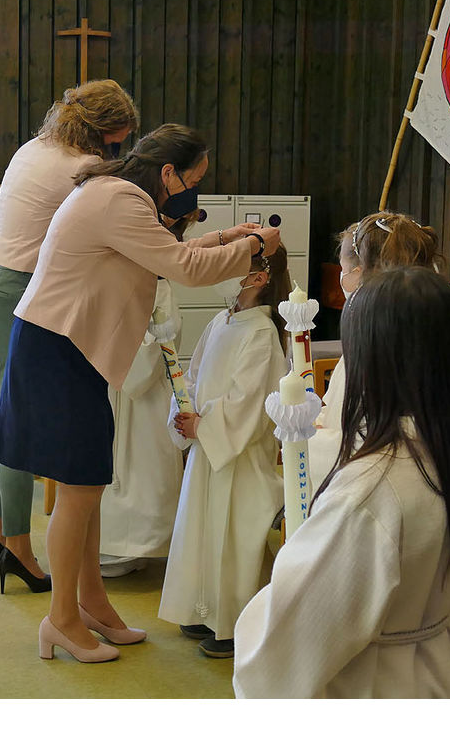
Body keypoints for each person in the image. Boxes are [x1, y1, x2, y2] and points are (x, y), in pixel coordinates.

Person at [0, 123, 282, 662]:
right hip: (58, 348)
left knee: (89, 482)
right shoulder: (120, 199)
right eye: (194, 179)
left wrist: (225, 237)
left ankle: (93, 604)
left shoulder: (114, 193)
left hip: (69, 347)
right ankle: (60, 621)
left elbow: (164, 249)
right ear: (168, 173)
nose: (194, 191)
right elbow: (182, 267)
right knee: (77, 489)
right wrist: (255, 248)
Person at [232, 266, 450, 698]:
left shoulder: (370, 491)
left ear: (371, 360)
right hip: (445, 671)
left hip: (375, 685)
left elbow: (290, 639)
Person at [0, 79, 140, 592]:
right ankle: (18, 547)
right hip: (11, 291)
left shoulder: (33, 148)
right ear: (100, 132)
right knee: (18, 428)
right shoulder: (78, 170)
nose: (117, 151)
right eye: (115, 141)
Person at [158, 246, 291, 658]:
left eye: (235, 266)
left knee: (234, 539)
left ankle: (233, 623)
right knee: (201, 530)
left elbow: (250, 401)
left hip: (240, 458)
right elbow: (194, 372)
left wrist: (207, 424)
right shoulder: (222, 321)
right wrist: (186, 406)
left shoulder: (261, 333)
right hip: (208, 452)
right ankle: (203, 608)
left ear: (260, 277)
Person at [309, 211, 442, 489]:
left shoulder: (380, 350)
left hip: (381, 483)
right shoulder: (421, 322)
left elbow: (369, 447)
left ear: (358, 275)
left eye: (343, 271)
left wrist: (305, 441)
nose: (342, 280)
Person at [97, 275, 186, 578]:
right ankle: (111, 546)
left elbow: (161, 346)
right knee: (115, 468)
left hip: (143, 395)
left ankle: (143, 545)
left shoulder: (159, 287)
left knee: (146, 467)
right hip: (108, 389)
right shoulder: (107, 279)